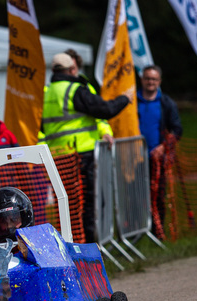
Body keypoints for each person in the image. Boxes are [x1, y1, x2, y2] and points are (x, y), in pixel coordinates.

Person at [42, 52, 131, 243]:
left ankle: (71, 246)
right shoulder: (75, 90)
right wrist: (124, 98)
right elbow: (105, 110)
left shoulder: (46, 92)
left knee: (67, 207)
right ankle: (92, 248)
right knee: (89, 204)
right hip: (81, 156)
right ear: (72, 69)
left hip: (58, 158)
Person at [137, 65, 183, 236]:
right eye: (148, 78)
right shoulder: (133, 100)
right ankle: (138, 232)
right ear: (142, 80)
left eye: (154, 79)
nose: (151, 82)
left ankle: (158, 231)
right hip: (134, 157)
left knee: (158, 195)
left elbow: (177, 129)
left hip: (157, 158)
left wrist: (164, 146)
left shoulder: (166, 103)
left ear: (159, 81)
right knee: (135, 197)